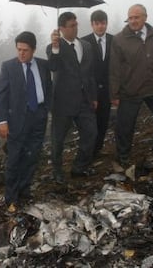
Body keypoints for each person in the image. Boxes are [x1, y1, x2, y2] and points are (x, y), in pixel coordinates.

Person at [110, 4, 153, 179]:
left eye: (136, 17)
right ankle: (123, 156)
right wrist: (114, 94)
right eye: (130, 18)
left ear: (145, 17)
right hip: (130, 90)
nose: (132, 21)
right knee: (125, 125)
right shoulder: (119, 40)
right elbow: (114, 69)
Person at [0, 31, 52, 214]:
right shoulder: (8, 67)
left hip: (38, 116)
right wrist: (2, 121)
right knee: (14, 158)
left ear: (33, 50)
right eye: (18, 49)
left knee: (32, 155)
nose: (21, 53)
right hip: (17, 119)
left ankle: (25, 189)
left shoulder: (43, 65)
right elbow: (0, 95)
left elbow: (48, 87)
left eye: (25, 50)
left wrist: (46, 110)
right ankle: (11, 197)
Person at [47, 11, 98, 184]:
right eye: (71, 26)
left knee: (91, 133)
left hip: (84, 100)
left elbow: (90, 73)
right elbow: (53, 67)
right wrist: (54, 46)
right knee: (58, 140)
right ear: (61, 28)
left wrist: (93, 96)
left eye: (76, 25)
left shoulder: (86, 45)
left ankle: (79, 167)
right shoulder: (55, 47)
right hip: (62, 103)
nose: (75, 28)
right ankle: (57, 171)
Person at [82, 10, 113, 157]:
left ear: (106, 23)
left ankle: (97, 150)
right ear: (92, 24)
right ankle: (87, 151)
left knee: (103, 121)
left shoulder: (114, 41)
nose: (100, 26)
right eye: (97, 23)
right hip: (89, 91)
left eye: (103, 23)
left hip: (107, 90)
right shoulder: (83, 42)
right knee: (89, 124)